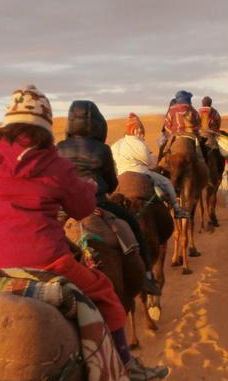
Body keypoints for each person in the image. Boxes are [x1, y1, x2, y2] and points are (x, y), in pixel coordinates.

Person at [0, 85, 167, 381]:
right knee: (105, 294)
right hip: (48, 262)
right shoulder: (54, 163)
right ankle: (125, 364)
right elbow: (83, 206)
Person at [56, 100, 161, 297]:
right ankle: (147, 275)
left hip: (65, 207)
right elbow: (112, 183)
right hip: (97, 203)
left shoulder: (59, 147)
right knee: (132, 224)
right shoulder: (101, 149)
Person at [111, 113, 188, 218]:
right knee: (166, 182)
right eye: (138, 129)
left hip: (120, 176)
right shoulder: (139, 143)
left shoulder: (115, 145)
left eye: (140, 129)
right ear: (133, 130)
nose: (140, 131)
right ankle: (177, 209)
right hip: (142, 173)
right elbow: (150, 162)